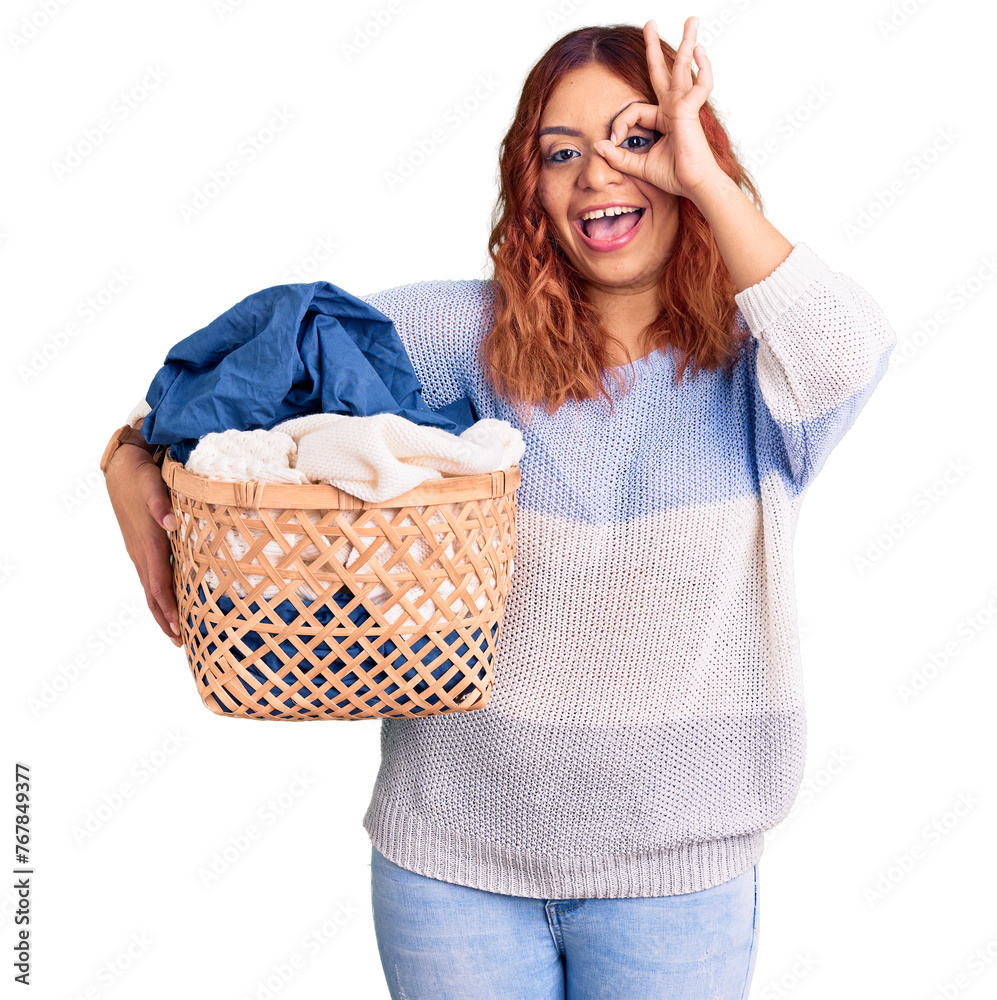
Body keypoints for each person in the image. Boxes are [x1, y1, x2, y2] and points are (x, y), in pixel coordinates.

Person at [102, 16, 897, 1000]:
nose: (598, 176)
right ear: (530, 189)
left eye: (636, 138)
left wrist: (701, 170)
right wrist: (128, 453)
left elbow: (851, 347)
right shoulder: (458, 332)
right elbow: (266, 362)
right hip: (452, 871)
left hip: (676, 884)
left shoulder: (758, 367)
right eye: (560, 154)